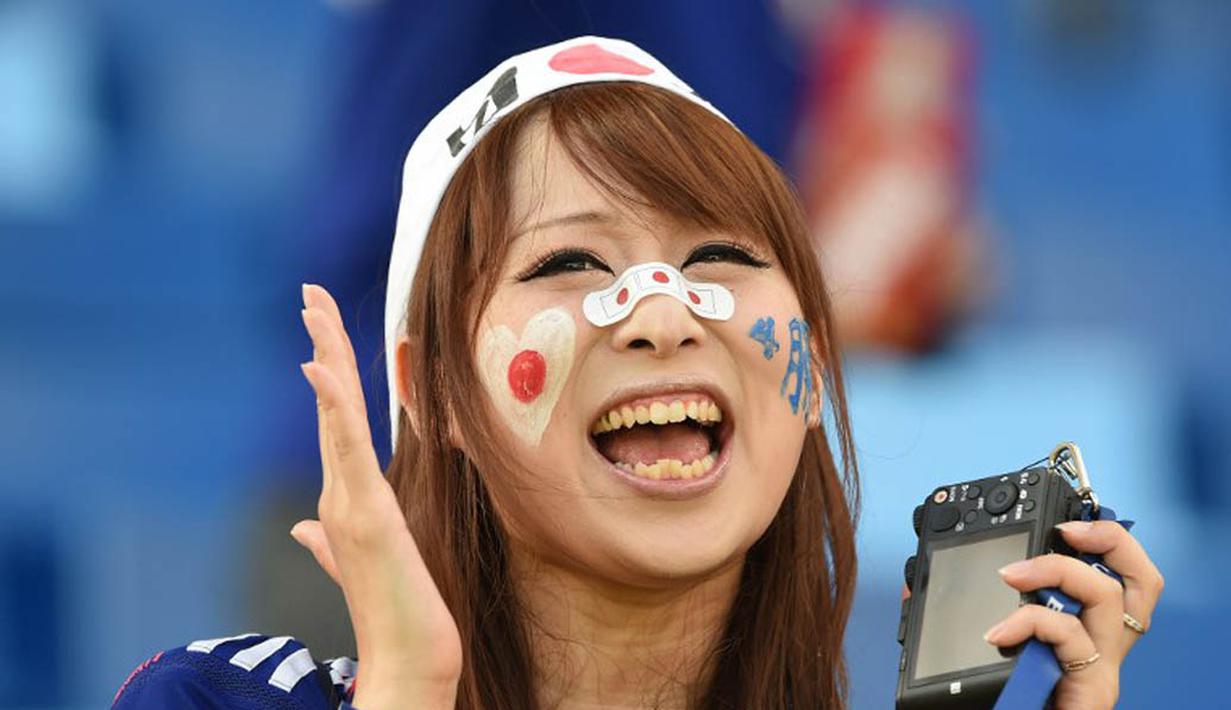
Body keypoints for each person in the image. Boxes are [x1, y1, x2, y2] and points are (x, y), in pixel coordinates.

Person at [111, 36, 1163, 710]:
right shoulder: (213, 697)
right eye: (571, 262)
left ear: (807, 359)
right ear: (430, 388)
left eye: (723, 259)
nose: (662, 314)